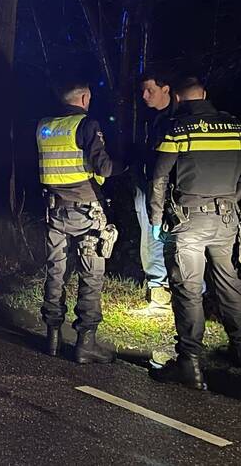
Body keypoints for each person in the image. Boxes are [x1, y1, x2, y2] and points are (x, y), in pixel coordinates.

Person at [149, 76, 241, 390]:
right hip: (227, 219)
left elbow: (159, 177)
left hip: (188, 222)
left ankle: (190, 364)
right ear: (205, 94)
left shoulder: (178, 129)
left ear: (177, 97)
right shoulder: (235, 127)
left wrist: (155, 217)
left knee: (188, 292)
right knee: (229, 286)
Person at [37, 80, 126, 363]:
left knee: (55, 272)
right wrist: (130, 161)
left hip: (54, 211)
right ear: (85, 97)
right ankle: (85, 343)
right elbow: (104, 167)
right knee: (91, 275)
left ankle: (52, 337)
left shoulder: (44, 126)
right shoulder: (86, 125)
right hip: (87, 213)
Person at [132, 72, 174, 312]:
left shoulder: (179, 118)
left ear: (165, 89)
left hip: (172, 187)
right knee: (150, 236)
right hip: (147, 184)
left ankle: (189, 292)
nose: (144, 96)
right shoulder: (148, 117)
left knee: (181, 240)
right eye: (143, 91)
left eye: (150, 90)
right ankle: (158, 289)